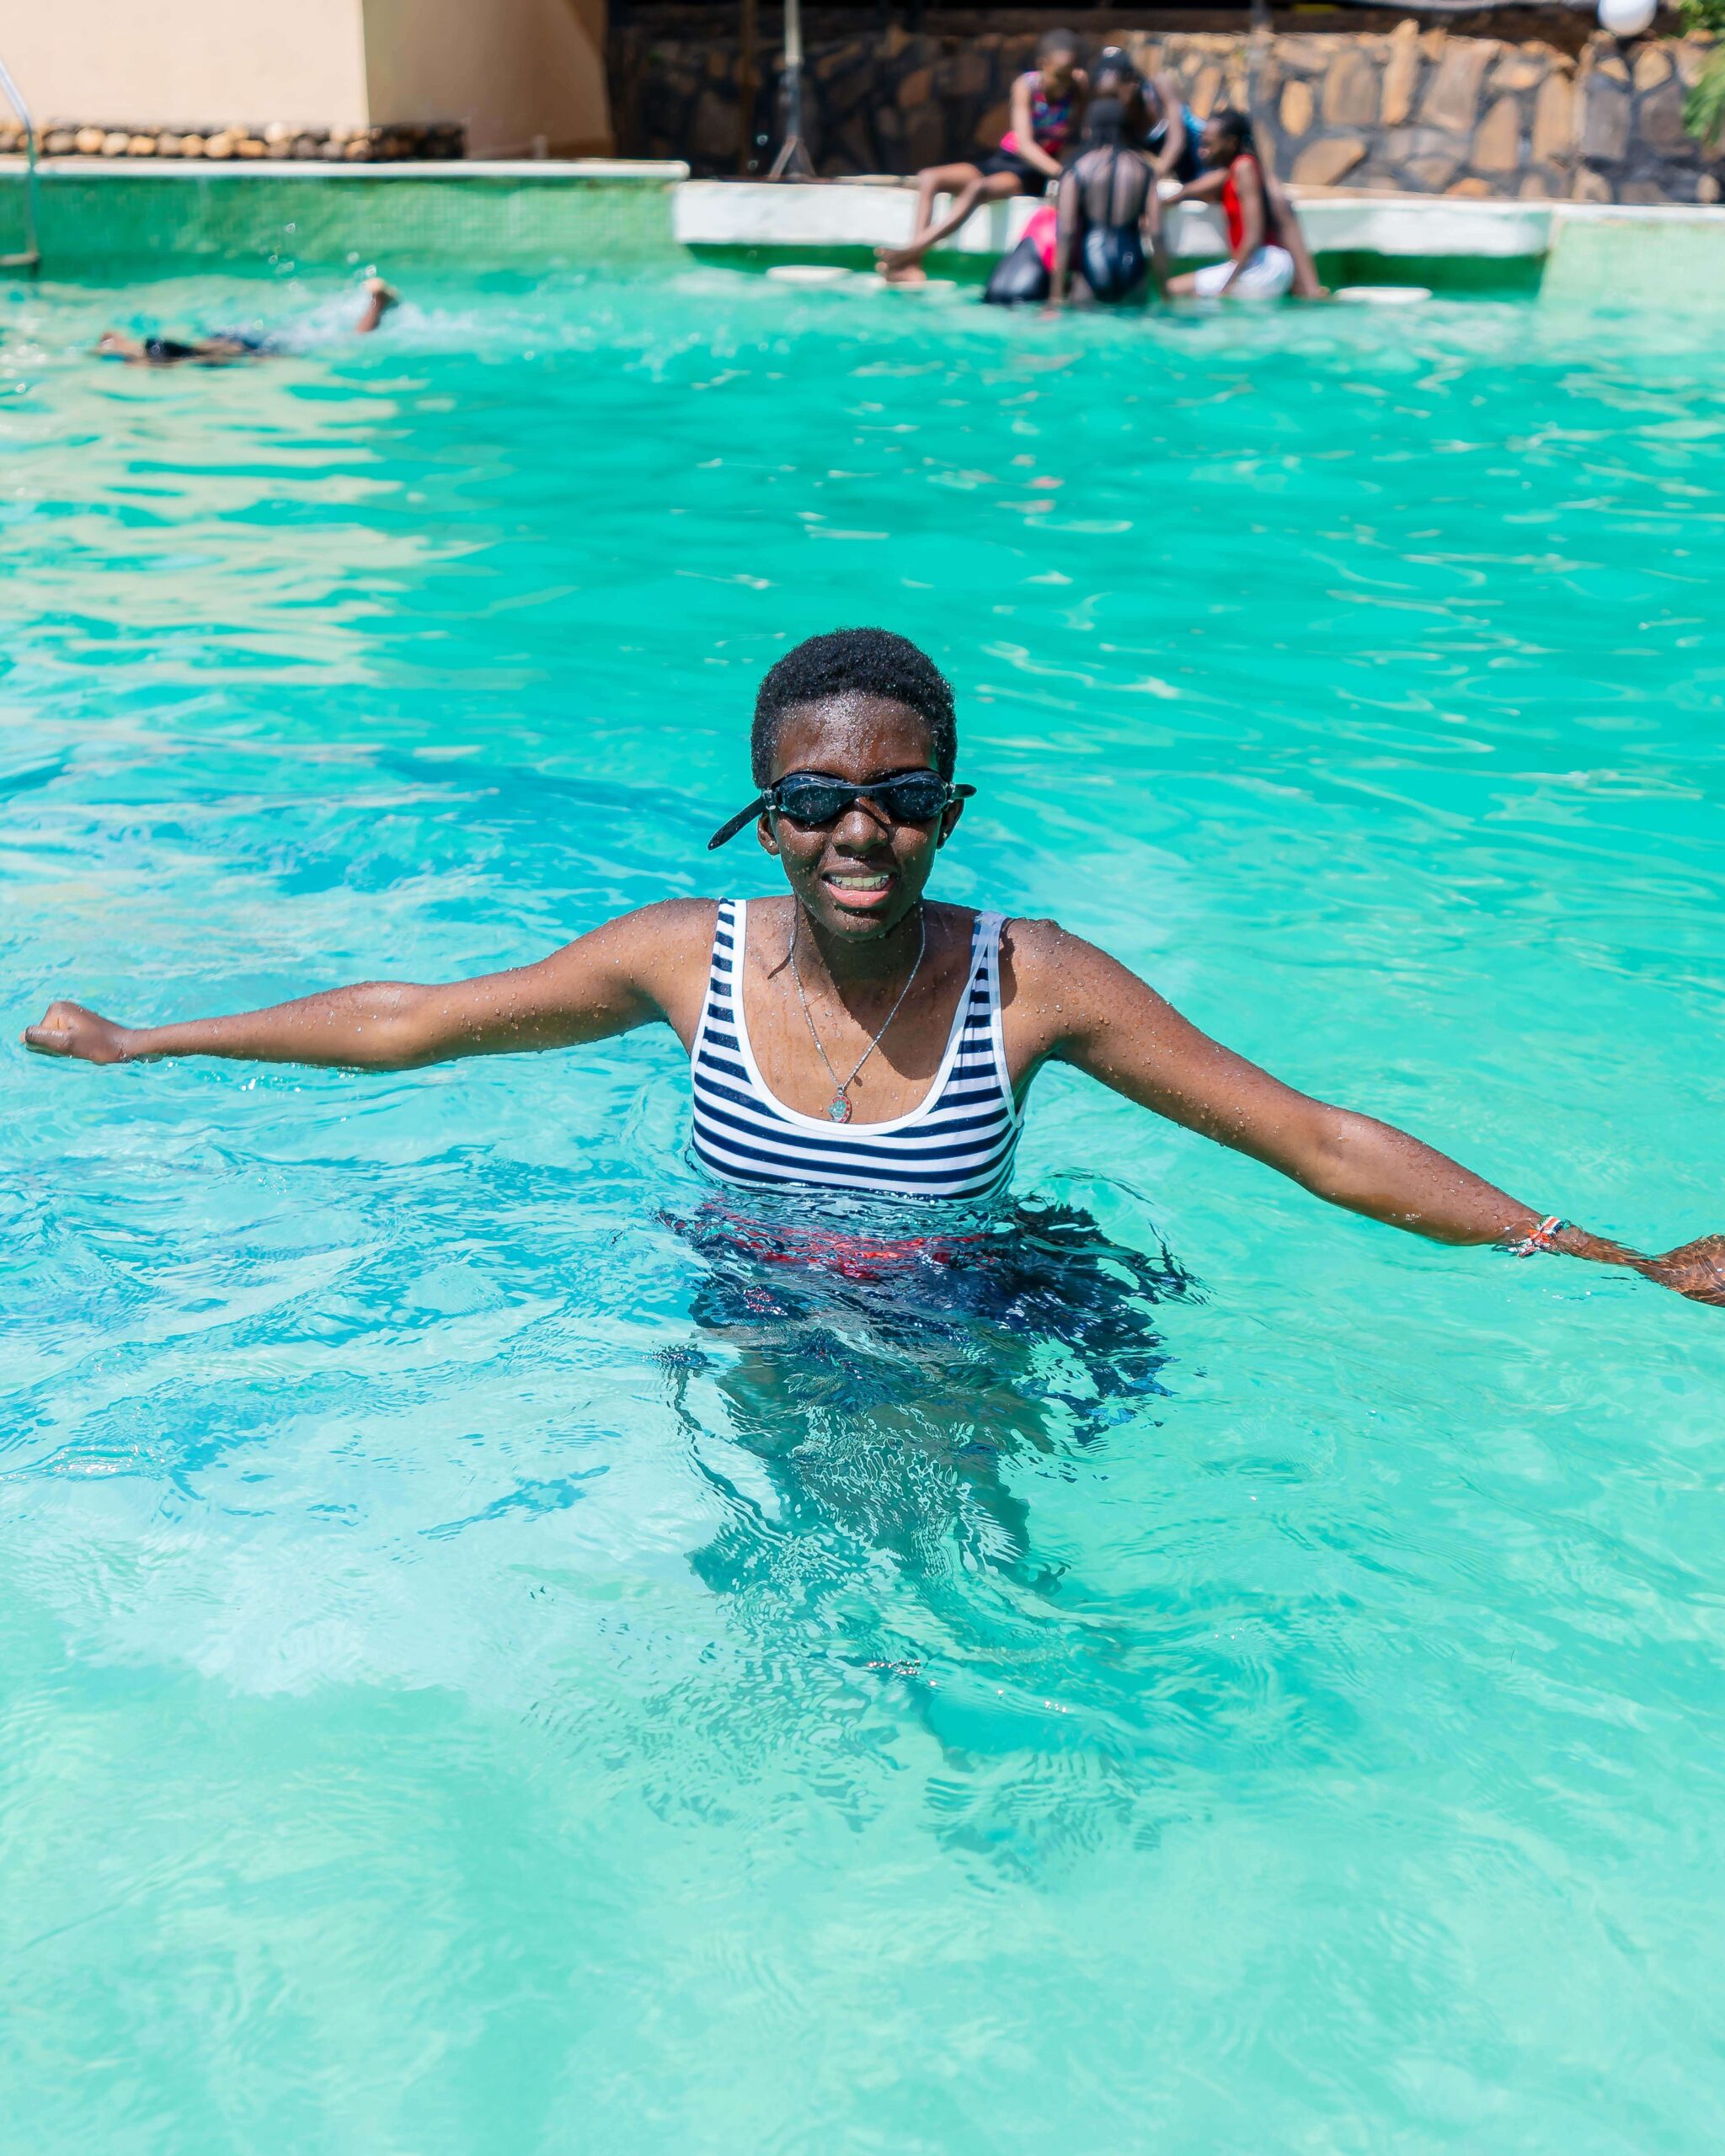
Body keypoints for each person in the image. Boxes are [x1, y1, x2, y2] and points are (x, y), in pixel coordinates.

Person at [23, 627, 1725, 1305]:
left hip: (968, 1306)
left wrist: (1608, 1254)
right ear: (761, 818)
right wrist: (144, 1042)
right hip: (758, 1293)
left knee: (951, 1581)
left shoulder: (1033, 980)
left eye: (902, 798)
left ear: (945, 811)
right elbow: (413, 1023)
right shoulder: (678, 961)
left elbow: (1312, 1137)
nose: (860, 832)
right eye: (816, 800)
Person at [876, 32, 1087, 287]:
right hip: (1008, 158)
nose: (1064, 81)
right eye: (1059, 74)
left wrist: (1062, 172)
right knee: (929, 177)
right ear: (1043, 64)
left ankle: (910, 252)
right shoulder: (1026, 85)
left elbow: (1080, 132)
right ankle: (911, 265)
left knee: (978, 189)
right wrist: (1061, 172)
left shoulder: (1078, 87)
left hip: (1032, 172)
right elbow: (1023, 145)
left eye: (1069, 73)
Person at [1164, 109, 1324, 301]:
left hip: (1263, 264)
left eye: (1208, 145)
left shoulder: (1244, 167)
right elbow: (1194, 189)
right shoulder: (1233, 171)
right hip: (1264, 265)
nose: (1202, 151)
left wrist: (1228, 284)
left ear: (1231, 143)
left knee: (1172, 290)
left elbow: (1253, 237)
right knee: (1190, 294)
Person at [94, 277, 399, 366]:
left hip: (250, 348)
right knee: (325, 337)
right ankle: (377, 302)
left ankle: (379, 303)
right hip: (236, 340)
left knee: (346, 341)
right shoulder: (161, 351)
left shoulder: (168, 356)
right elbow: (113, 339)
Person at [1049, 97, 1157, 307]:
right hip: (1132, 260)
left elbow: (1067, 232)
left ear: (1089, 128)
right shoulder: (1144, 169)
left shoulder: (1077, 168)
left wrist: (1055, 294)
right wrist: (1165, 292)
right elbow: (1156, 233)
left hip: (1092, 261)